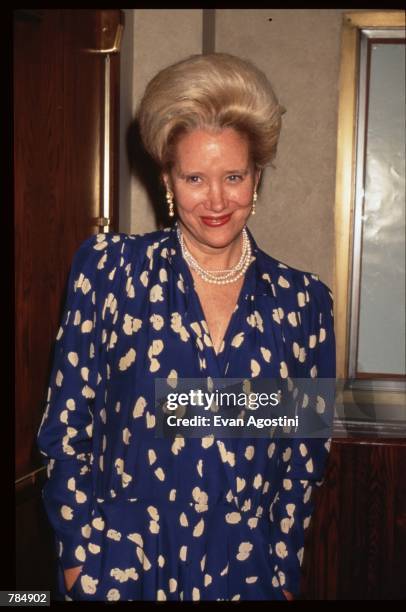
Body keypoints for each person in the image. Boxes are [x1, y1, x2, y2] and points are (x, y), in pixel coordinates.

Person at [36, 52, 336, 602]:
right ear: (167, 178)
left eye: (234, 176)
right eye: (195, 177)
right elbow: (65, 427)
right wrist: (82, 559)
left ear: (257, 176)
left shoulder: (302, 303)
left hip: (247, 573)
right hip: (125, 569)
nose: (217, 200)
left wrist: (284, 572)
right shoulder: (110, 272)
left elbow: (302, 459)